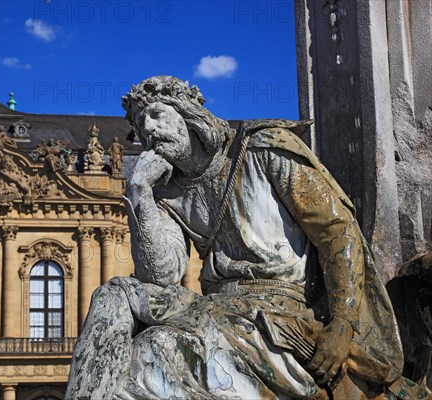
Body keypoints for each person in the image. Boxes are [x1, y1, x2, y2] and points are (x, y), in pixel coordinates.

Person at [66, 76, 404, 399]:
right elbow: (160, 277)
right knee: (113, 293)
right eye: (140, 127)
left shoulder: (261, 147)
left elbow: (337, 232)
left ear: (188, 114)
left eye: (156, 115)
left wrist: (343, 323)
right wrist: (140, 193)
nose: (149, 130)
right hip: (213, 307)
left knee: (152, 351)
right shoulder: (166, 193)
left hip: (275, 307)